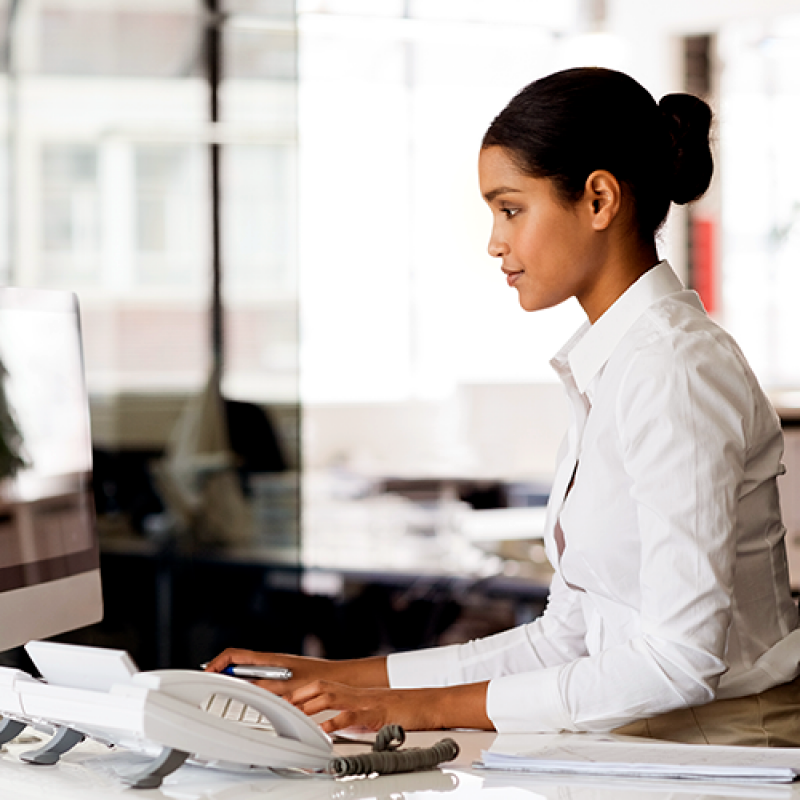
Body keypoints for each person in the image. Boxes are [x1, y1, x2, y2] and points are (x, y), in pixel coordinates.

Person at [206, 67, 800, 745]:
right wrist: (348, 678)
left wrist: (417, 709)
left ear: (599, 198)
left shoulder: (675, 369)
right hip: (653, 740)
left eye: (511, 208)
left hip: (724, 748)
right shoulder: (614, 366)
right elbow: (562, 640)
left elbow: (678, 661)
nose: (495, 241)